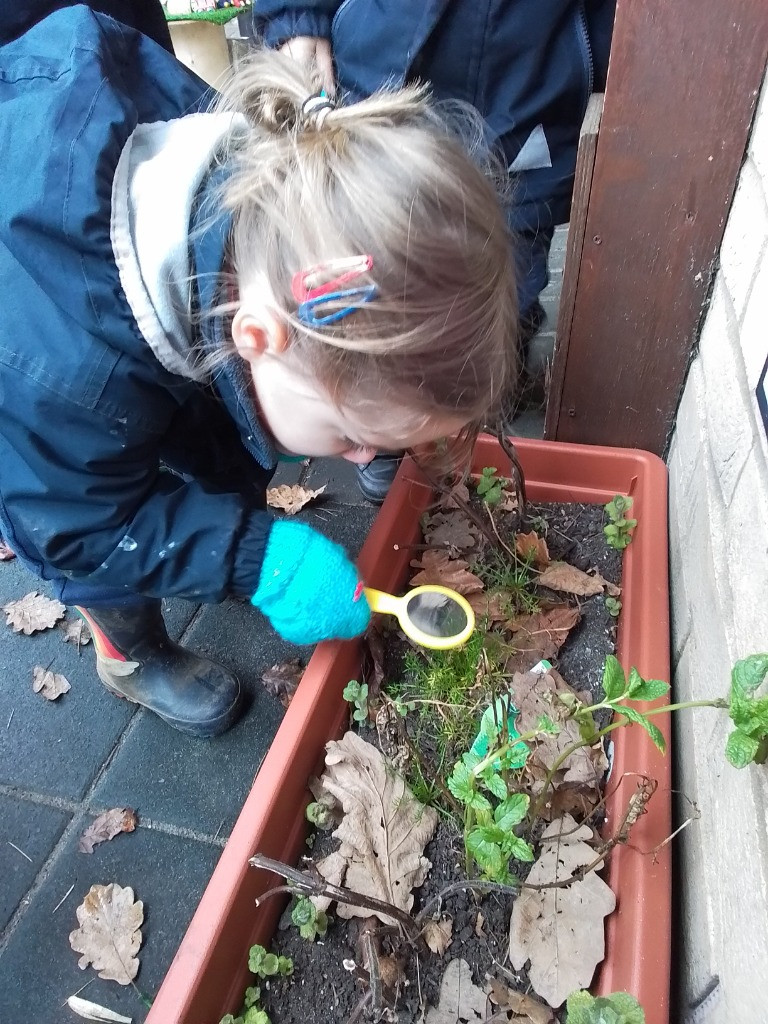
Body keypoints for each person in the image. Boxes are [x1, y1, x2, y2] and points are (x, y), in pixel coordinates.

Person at [0, 6, 517, 738]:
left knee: (212, 425)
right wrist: (252, 557)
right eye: (353, 435)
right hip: (37, 399)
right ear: (259, 334)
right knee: (104, 537)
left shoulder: (266, 206)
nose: (367, 458)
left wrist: (242, 539)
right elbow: (79, 527)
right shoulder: (69, 379)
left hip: (125, 306)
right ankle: (131, 652)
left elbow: (238, 404)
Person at [251, 0, 616, 500]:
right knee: (377, 312)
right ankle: (382, 438)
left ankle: (462, 420)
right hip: (388, 76)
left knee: (508, 288)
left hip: (533, 94)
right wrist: (297, 14)